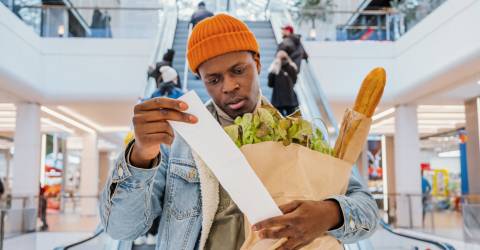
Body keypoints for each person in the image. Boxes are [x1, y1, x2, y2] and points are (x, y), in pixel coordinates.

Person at [100, 14, 378, 250]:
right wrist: (140, 156)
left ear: (257, 64)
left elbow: (366, 208)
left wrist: (330, 214)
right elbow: (121, 228)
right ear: (202, 81)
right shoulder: (176, 141)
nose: (229, 86)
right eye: (214, 79)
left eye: (238, 70)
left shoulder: (297, 133)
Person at [267, 50, 299, 116]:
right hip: (290, 100)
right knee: (292, 120)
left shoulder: (275, 69)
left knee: (279, 121)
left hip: (279, 100)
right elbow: (294, 81)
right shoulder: (291, 68)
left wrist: (275, 67)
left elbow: (270, 84)